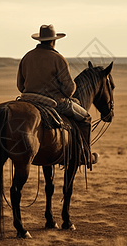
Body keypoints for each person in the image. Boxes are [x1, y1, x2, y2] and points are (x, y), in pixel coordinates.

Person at [17, 24, 97, 168]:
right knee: (86, 118)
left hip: (28, 99)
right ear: (54, 41)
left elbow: (20, 86)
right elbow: (69, 90)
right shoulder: (58, 58)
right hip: (54, 102)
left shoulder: (27, 57)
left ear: (40, 40)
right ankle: (85, 154)